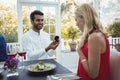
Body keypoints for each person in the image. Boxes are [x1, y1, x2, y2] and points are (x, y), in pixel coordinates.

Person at [74, 4, 110, 80]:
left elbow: (93, 74)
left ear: (83, 17)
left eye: (76, 19)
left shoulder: (94, 37)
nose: (76, 23)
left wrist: (79, 50)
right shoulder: (91, 35)